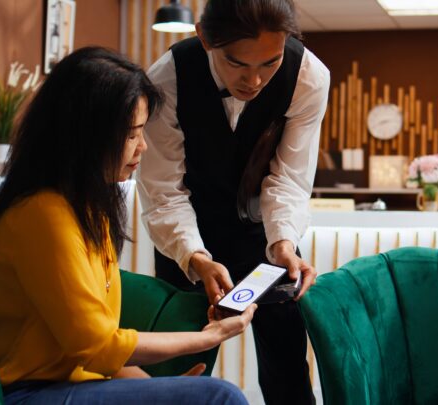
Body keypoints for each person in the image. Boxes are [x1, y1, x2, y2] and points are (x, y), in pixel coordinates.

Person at [0, 47, 255, 405]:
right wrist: (209, 336)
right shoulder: (42, 215)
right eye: (132, 134)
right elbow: (98, 346)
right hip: (26, 393)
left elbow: (97, 351)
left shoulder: (89, 208)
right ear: (86, 135)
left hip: (73, 385)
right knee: (220, 396)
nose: (144, 147)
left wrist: (154, 389)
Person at [138, 1, 330, 403]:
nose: (255, 80)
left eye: (270, 63)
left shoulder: (309, 76)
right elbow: (164, 191)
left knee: (288, 369)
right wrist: (194, 256)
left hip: (265, 233)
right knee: (178, 370)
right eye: (237, 63)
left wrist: (282, 244)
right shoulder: (166, 79)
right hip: (187, 236)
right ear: (205, 38)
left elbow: (289, 179)